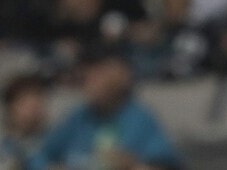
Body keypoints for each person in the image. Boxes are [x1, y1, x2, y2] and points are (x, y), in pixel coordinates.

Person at [29, 46, 183, 170]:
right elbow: (41, 156)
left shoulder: (140, 119)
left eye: (98, 72)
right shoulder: (78, 118)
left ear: (122, 75)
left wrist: (133, 165)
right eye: (86, 73)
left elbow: (166, 164)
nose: (89, 80)